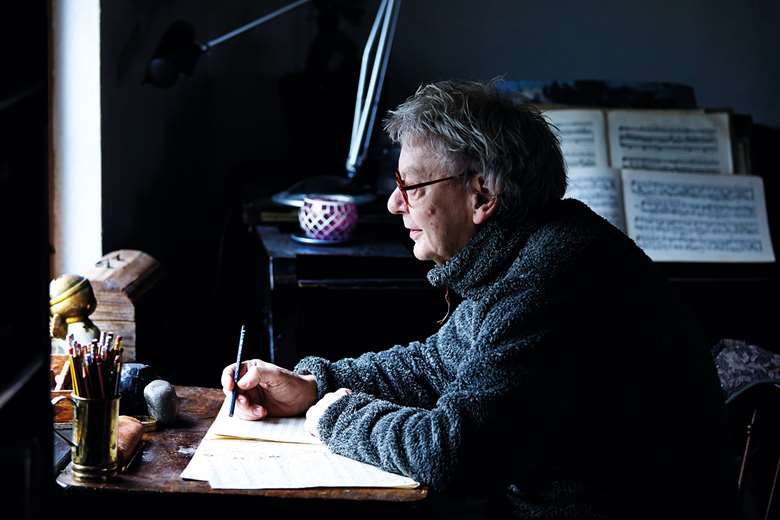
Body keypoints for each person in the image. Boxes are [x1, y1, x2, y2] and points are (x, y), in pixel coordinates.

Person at [222, 80, 736, 519]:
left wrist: (334, 415)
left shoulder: (552, 273)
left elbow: (450, 451)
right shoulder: (525, 247)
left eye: (410, 185)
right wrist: (314, 385)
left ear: (482, 196)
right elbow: (433, 365)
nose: (394, 202)